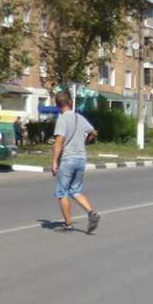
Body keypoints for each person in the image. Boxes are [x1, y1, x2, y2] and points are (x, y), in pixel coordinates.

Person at [51, 91, 100, 233]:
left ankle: (68, 225)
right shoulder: (79, 117)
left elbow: (59, 141)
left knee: (62, 192)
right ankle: (92, 213)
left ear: (56, 105)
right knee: (75, 190)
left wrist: (54, 161)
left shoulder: (62, 119)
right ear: (70, 102)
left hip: (68, 160)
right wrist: (84, 141)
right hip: (81, 159)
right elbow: (93, 132)